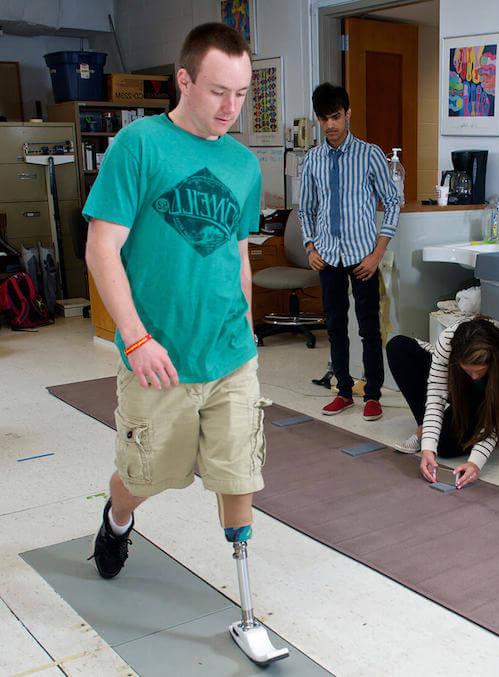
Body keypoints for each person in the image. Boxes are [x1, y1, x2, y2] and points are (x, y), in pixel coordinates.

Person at [84, 22, 287, 663]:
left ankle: (246, 599)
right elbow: (101, 249)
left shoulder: (243, 163)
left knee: (240, 467)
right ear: (185, 80)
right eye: (219, 92)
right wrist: (136, 338)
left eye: (242, 94)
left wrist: (247, 329)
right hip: (159, 358)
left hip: (229, 354)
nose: (232, 109)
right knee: (150, 474)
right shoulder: (139, 147)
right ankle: (118, 519)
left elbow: (236, 253)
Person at [298, 83, 403, 422]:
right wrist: (310, 246)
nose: (331, 125)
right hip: (327, 256)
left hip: (362, 256)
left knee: (369, 328)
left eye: (336, 116)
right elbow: (305, 209)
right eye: (324, 118)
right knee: (335, 327)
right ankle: (343, 390)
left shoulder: (370, 154)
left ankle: (372, 395)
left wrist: (378, 252)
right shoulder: (312, 159)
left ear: (348, 114)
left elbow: (392, 202)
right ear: (317, 119)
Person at [385, 317, 499, 489]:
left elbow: (496, 415)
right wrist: (428, 448)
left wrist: (475, 463)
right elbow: (436, 395)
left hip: (485, 399)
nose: (474, 377)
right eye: (468, 370)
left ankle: (442, 429)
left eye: (479, 371)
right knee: (398, 346)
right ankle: (424, 429)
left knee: (445, 446)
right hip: (457, 387)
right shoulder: (448, 341)